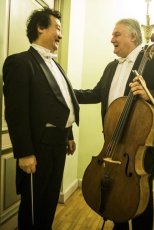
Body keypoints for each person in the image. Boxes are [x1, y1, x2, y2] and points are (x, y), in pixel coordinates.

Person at [75, 18, 154, 229]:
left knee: (139, 197)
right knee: (114, 194)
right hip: (112, 142)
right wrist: (65, 92)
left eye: (116, 34)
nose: (111, 39)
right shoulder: (112, 66)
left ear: (133, 36)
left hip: (140, 146)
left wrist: (149, 94)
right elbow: (95, 94)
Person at [3, 8, 79, 229]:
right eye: (57, 28)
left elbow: (61, 103)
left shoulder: (56, 65)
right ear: (40, 27)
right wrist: (25, 152)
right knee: (33, 205)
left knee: (49, 201)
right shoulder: (19, 62)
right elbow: (16, 113)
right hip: (38, 147)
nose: (61, 35)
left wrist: (69, 134)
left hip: (58, 143)